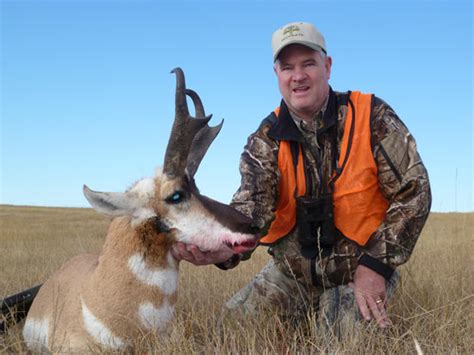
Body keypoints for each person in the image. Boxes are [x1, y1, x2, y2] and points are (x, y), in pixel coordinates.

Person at [172, 22, 431, 333]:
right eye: (287, 67)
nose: (298, 76)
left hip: (358, 272)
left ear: (328, 66)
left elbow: (414, 191)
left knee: (339, 342)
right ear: (277, 75)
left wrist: (376, 266)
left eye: (309, 63)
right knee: (228, 331)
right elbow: (252, 209)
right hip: (292, 275)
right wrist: (223, 246)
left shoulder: (372, 117)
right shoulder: (265, 139)